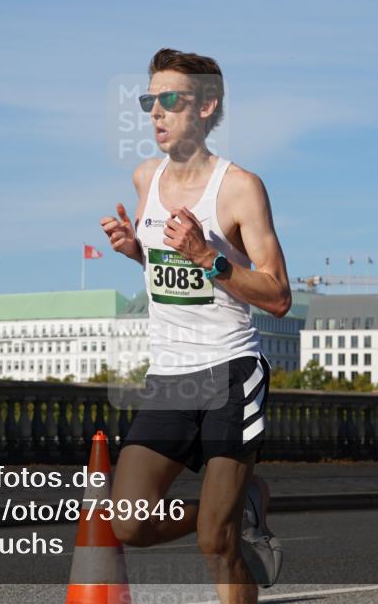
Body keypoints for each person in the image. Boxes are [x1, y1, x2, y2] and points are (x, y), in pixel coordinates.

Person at [99, 48, 292, 604]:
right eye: (148, 101)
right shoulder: (144, 179)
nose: (155, 113)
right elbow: (171, 277)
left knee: (217, 543)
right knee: (129, 523)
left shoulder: (239, 188)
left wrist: (210, 255)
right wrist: (140, 253)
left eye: (170, 101)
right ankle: (240, 504)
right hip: (171, 375)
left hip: (231, 370)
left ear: (207, 107)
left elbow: (278, 295)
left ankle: (227, 519)